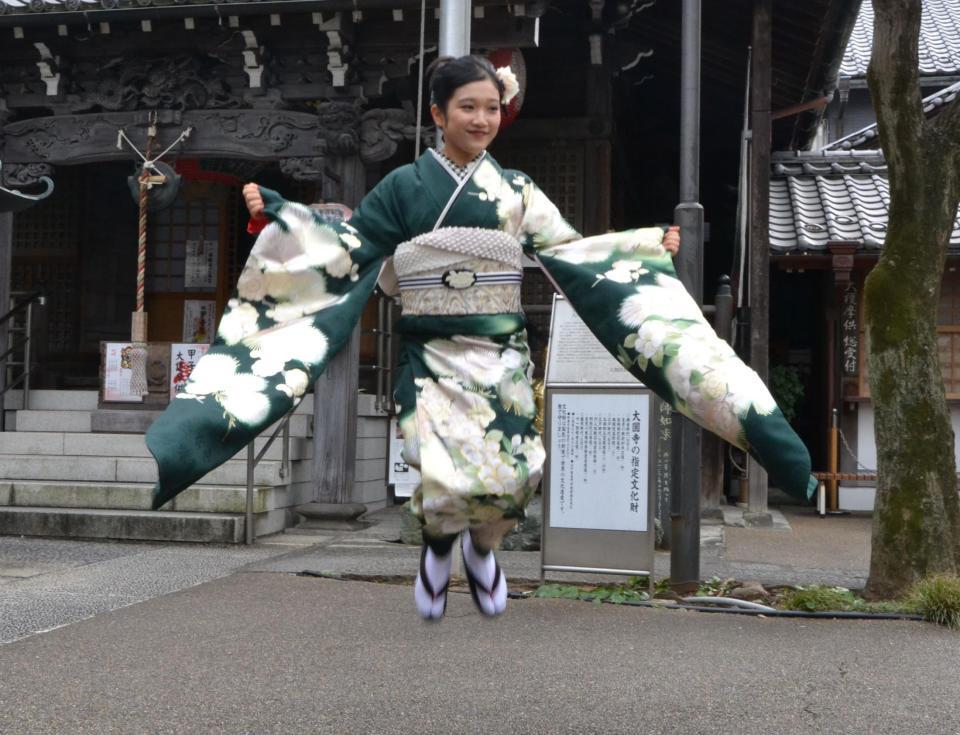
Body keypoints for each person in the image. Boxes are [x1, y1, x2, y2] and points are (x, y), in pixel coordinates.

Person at [146, 55, 814, 621]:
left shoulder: (516, 190)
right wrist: (287, 214)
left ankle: (484, 550)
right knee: (440, 470)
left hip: (501, 354)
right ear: (438, 113)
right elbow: (348, 243)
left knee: (515, 471)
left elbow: (574, 252)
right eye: (468, 107)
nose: (482, 120)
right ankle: (439, 549)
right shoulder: (404, 188)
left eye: (492, 109)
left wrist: (641, 246)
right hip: (431, 353)